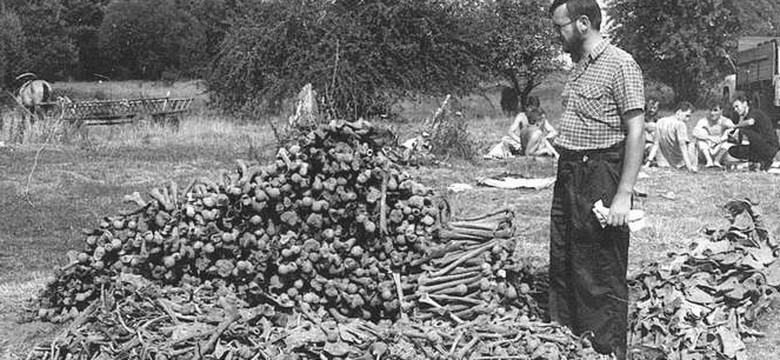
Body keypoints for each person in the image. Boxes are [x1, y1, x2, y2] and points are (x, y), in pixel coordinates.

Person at [548, 1, 645, 359]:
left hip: (601, 173)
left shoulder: (621, 64)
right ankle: (566, 345)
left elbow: (637, 132)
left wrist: (623, 193)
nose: (557, 35)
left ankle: (605, 352)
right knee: (564, 260)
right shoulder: (577, 68)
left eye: (560, 27)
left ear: (583, 23)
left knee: (599, 269)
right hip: (570, 172)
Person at [724, 94, 780, 171]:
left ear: (744, 104)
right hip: (758, 145)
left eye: (737, 106)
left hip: (769, 146)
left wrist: (735, 126)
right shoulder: (744, 118)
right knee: (733, 150)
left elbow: (750, 122)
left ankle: (765, 160)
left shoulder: (754, 112)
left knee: (744, 130)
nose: (735, 110)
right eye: (734, 108)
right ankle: (758, 162)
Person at [644, 101, 697, 172]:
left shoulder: (660, 121)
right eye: (687, 116)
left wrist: (648, 163)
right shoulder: (680, 124)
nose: (688, 119)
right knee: (693, 143)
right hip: (678, 163)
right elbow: (683, 147)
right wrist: (689, 167)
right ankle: (693, 166)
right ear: (679, 112)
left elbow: (655, 144)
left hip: (662, 162)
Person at [691, 103, 735, 168]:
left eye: (715, 110)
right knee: (700, 137)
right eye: (710, 110)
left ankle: (717, 160)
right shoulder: (704, 121)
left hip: (720, 148)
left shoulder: (726, 121)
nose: (712, 113)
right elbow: (694, 132)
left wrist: (722, 139)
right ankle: (709, 161)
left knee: (729, 141)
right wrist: (709, 138)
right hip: (707, 148)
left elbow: (734, 131)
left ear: (721, 111)